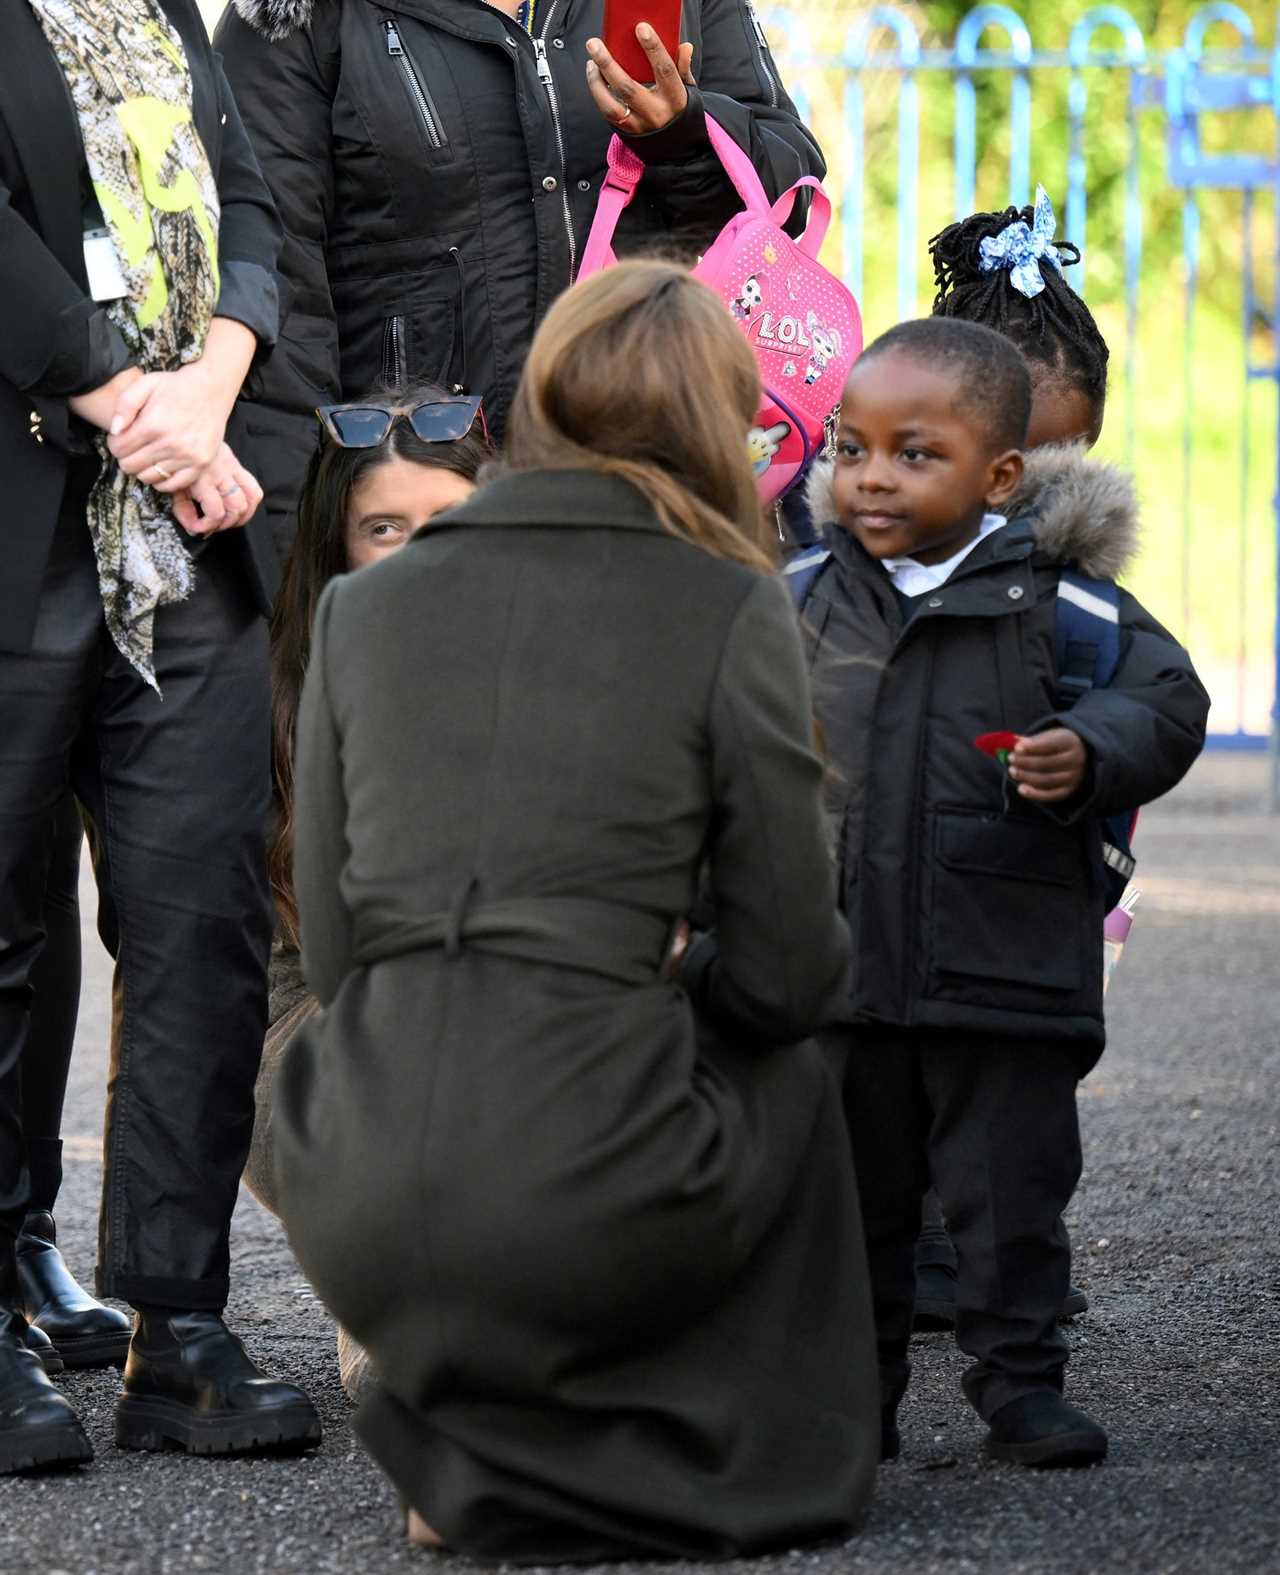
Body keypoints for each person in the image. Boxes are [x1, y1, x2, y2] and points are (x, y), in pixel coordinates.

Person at [274, 259, 879, 1558]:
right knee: (792, 1072)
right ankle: (700, 1446)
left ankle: (463, 1446)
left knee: (537, 1117)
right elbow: (787, 969)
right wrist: (664, 969)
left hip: (349, 1163)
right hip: (586, 1166)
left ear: (541, 398)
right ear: (724, 421)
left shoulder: (360, 604)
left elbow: (332, 947)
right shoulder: (729, 605)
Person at [0, 0, 320, 1472]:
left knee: (202, 913)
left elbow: (246, 197)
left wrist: (211, 386)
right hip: (30, 507)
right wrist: (126, 394)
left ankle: (176, 1324)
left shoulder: (159, 5)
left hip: (184, 520)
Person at [799, 317, 1208, 1468]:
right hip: (842, 980)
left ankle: (1019, 1385)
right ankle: (853, 1399)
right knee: (848, 1211)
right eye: (849, 448)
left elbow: (1165, 699)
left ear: (999, 475)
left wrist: (1086, 747)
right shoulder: (796, 600)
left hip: (1004, 974)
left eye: (912, 452)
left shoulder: (1063, 608)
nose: (871, 476)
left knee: (1009, 1202)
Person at [214, 0, 825, 561]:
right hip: (417, 504)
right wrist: (295, 545)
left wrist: (682, 135)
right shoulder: (294, 20)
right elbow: (276, 292)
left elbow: (782, 200)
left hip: (658, 485)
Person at [243, 385, 490, 1399]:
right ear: (335, 545)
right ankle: (403, 1324)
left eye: (447, 524)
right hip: (315, 1015)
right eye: (383, 529)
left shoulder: (551, 659)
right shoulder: (280, 693)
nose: (420, 555)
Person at [911, 188, 1116, 1333]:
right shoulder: (872, 556)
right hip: (919, 857)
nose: (1023, 494)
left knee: (1025, 1075)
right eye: (1007, 461)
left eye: (1059, 461)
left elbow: (1146, 694)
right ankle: (923, 1247)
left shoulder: (1083, 583)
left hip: (1042, 861)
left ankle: (1003, 1266)